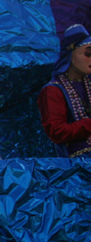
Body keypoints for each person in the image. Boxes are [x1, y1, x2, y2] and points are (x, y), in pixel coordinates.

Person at [37, 24, 91, 159]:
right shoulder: (53, 90)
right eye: (88, 54)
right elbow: (56, 131)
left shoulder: (88, 84)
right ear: (71, 56)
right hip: (77, 166)